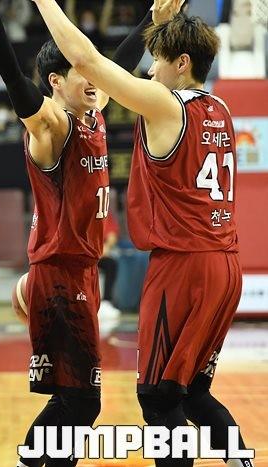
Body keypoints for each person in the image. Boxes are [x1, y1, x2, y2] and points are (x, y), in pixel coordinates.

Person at [31, 0, 252, 466]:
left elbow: (88, 62)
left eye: (158, 61)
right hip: (226, 263)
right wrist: (155, 21)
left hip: (183, 267)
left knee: (157, 398)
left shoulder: (167, 104)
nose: (150, 71)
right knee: (192, 393)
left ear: (182, 63)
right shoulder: (221, 107)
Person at [0, 0, 156, 465]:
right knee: (81, 401)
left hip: (82, 272)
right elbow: (15, 82)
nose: (95, 77)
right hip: (59, 273)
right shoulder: (52, 125)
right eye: (82, 70)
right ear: (56, 81)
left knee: (72, 399)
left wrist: (155, 18)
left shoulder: (94, 113)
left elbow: (121, 62)